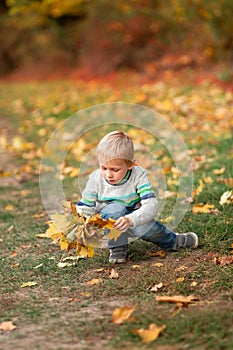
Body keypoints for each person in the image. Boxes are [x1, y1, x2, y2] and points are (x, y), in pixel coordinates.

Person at [76, 130, 198, 263]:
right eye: (104, 168)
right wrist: (84, 223)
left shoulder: (138, 176)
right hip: (110, 218)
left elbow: (151, 205)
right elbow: (85, 205)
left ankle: (173, 241)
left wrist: (130, 220)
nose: (108, 174)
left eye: (115, 170)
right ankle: (117, 247)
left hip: (134, 216)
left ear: (130, 164)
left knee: (149, 229)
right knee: (114, 208)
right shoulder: (96, 179)